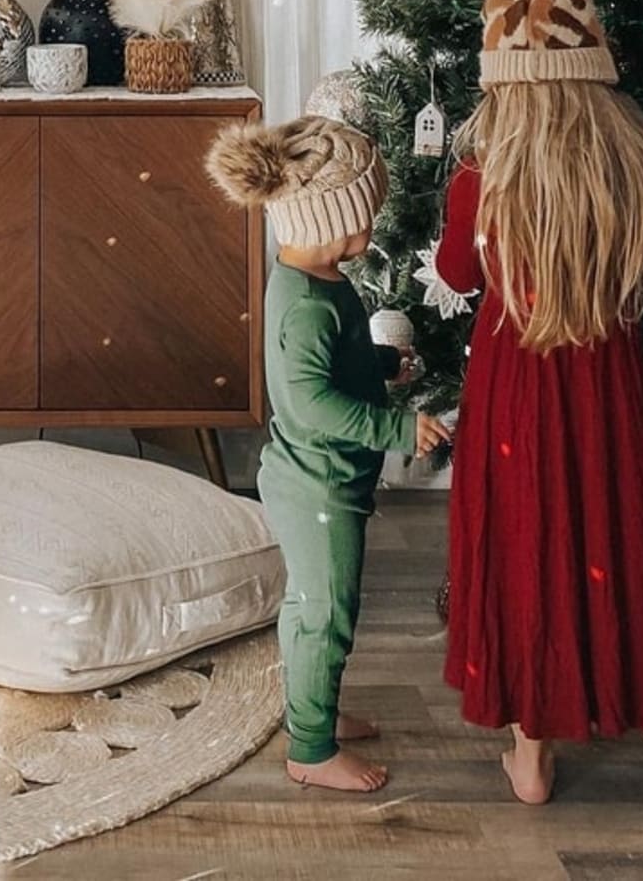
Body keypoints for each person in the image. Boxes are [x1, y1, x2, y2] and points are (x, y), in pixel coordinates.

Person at [439, 0, 643, 832]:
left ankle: (531, 758)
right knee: (629, 556)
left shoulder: (483, 178)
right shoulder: (630, 164)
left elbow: (459, 274)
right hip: (603, 392)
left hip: (510, 387)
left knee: (518, 551)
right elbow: (637, 264)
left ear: (499, 77)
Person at [207, 115, 450, 794]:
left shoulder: (317, 281)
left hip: (319, 477)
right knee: (326, 614)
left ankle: (315, 710)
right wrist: (398, 427)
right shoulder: (307, 304)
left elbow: (324, 367)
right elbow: (307, 401)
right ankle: (310, 748)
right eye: (357, 223)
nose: (367, 236)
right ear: (316, 218)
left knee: (312, 606)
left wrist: (376, 362)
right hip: (319, 488)